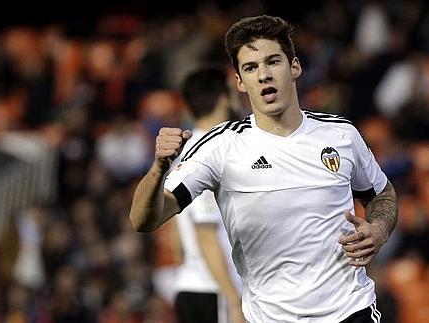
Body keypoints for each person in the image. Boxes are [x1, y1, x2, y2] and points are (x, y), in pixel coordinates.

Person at [129, 15, 398, 323]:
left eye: (273, 62)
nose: (264, 75)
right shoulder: (221, 148)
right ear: (240, 83)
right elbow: (143, 219)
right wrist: (159, 167)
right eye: (251, 68)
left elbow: (382, 194)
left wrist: (378, 230)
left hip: (351, 311)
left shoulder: (341, 135)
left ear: (294, 66)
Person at [171, 66, 244, 323]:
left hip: (197, 284)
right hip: (215, 291)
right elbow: (205, 232)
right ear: (224, 98)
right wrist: (234, 301)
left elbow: (177, 237)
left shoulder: (185, 151)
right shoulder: (208, 152)